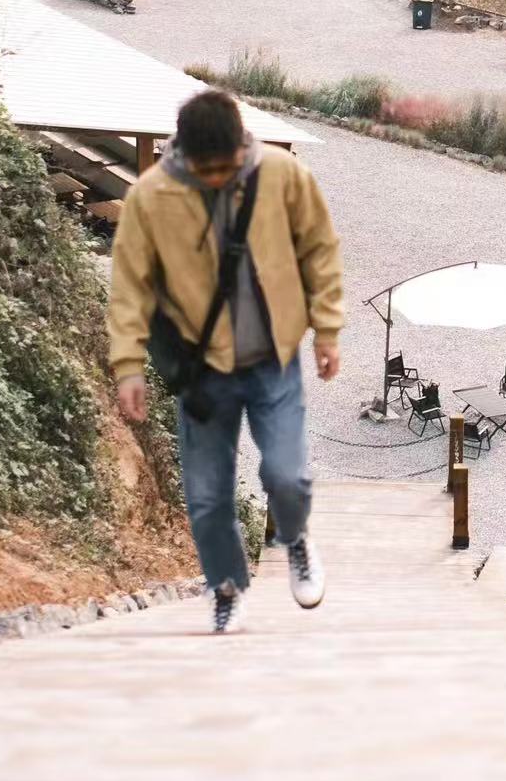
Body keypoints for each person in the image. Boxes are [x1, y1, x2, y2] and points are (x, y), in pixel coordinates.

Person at [109, 89, 343, 635]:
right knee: (208, 496)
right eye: (206, 170)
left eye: (226, 167)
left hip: (271, 357)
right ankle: (227, 587)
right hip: (203, 367)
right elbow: (130, 286)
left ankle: (296, 538)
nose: (217, 178)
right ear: (185, 155)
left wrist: (327, 329)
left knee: (287, 475)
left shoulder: (282, 175)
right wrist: (128, 365)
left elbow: (319, 249)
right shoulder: (152, 196)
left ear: (243, 145)